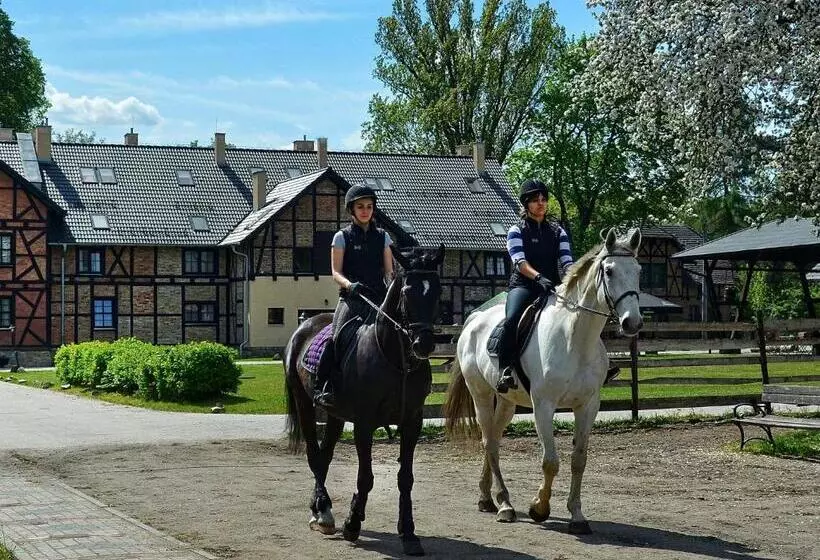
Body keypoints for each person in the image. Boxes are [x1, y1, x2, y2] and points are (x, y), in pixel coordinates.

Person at [313, 183, 394, 406]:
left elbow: (389, 271)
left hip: (379, 299)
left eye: (369, 206)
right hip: (351, 299)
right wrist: (350, 285)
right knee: (336, 337)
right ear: (352, 210)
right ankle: (323, 385)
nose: (365, 210)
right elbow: (335, 272)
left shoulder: (384, 237)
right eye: (360, 207)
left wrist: (391, 287)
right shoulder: (342, 237)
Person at [496, 179, 574, 393]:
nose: (541, 204)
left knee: (582, 313)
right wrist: (538, 277)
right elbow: (519, 262)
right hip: (524, 285)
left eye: (543, 199)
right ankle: (505, 369)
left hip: (553, 286)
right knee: (511, 319)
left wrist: (576, 280)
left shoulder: (559, 232)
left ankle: (598, 364)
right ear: (526, 204)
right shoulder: (515, 230)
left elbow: (567, 262)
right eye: (535, 200)